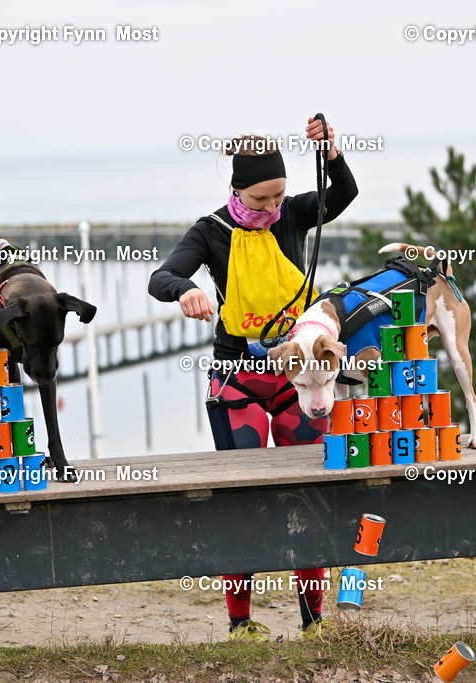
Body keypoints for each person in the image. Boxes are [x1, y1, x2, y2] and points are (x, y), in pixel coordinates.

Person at [148, 117, 358, 639]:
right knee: (244, 496)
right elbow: (161, 276)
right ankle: (241, 623)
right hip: (237, 377)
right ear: (236, 189)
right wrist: (184, 292)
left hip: (296, 377)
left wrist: (331, 153)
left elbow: (346, 191)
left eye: (280, 197)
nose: (272, 210)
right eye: (261, 200)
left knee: (307, 492)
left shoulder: (294, 215)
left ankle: (314, 622)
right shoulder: (210, 231)